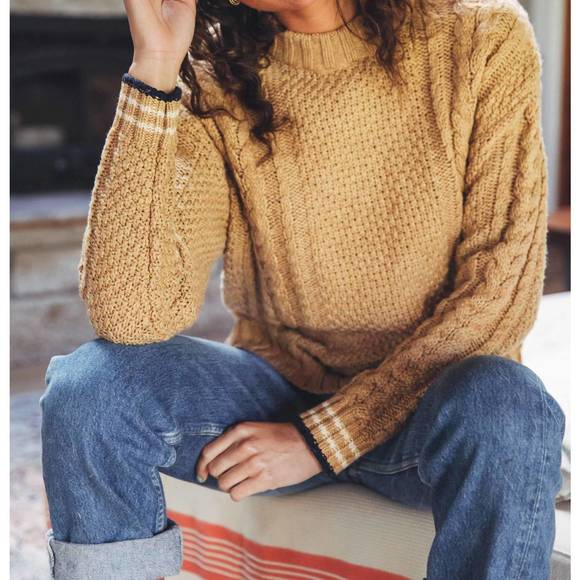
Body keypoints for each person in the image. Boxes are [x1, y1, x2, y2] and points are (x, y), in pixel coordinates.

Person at [39, 0, 566, 578]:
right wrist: (155, 69)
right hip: (274, 394)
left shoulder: (481, 36)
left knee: (509, 404)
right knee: (90, 389)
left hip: (428, 411)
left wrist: (321, 440)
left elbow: (499, 295)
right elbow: (130, 315)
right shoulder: (215, 73)